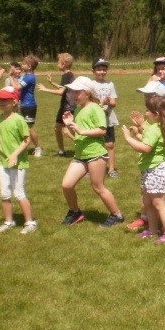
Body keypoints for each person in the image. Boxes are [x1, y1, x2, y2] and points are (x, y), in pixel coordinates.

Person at [59, 76, 125, 228]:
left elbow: (102, 130)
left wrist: (81, 130)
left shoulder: (95, 108)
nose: (74, 95)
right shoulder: (79, 110)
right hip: (80, 154)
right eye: (73, 92)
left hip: (96, 154)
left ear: (88, 93)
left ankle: (117, 215)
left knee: (98, 187)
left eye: (77, 92)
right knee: (67, 185)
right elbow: (78, 134)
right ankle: (75, 212)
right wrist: (69, 125)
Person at [121, 95, 165, 244]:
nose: (145, 113)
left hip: (156, 170)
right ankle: (153, 230)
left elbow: (146, 148)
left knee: (159, 204)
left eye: (147, 110)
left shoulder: (154, 129)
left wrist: (128, 138)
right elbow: (150, 141)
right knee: (148, 203)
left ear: (156, 114)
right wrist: (138, 132)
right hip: (152, 170)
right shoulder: (161, 126)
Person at [0, 87, 37, 234]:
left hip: (18, 162)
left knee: (19, 193)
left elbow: (27, 140)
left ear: (14, 102)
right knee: (4, 194)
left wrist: (14, 154)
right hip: (3, 162)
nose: (1, 102)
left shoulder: (19, 119)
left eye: (5, 99)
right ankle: (8, 221)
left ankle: (30, 223)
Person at [37, 52, 76, 156]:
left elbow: (61, 92)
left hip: (67, 106)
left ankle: (82, 144)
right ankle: (61, 150)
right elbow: (64, 88)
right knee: (57, 128)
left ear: (64, 64)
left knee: (67, 131)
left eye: (58, 62)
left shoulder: (67, 75)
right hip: (65, 105)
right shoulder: (68, 75)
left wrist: (45, 89)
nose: (57, 64)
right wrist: (52, 83)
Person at [91, 57, 120, 178]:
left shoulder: (110, 84)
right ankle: (91, 168)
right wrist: (98, 101)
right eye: (99, 69)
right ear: (93, 71)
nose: (102, 72)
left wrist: (108, 102)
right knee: (93, 144)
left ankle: (111, 169)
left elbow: (114, 103)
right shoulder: (90, 85)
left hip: (108, 118)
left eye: (104, 69)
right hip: (94, 119)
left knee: (110, 145)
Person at [19, 55, 42, 157]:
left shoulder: (30, 77)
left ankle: (38, 148)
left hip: (29, 105)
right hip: (23, 104)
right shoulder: (25, 76)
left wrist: (11, 76)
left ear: (29, 66)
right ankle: (23, 147)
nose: (22, 65)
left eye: (24, 63)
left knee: (29, 128)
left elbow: (17, 86)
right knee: (22, 127)